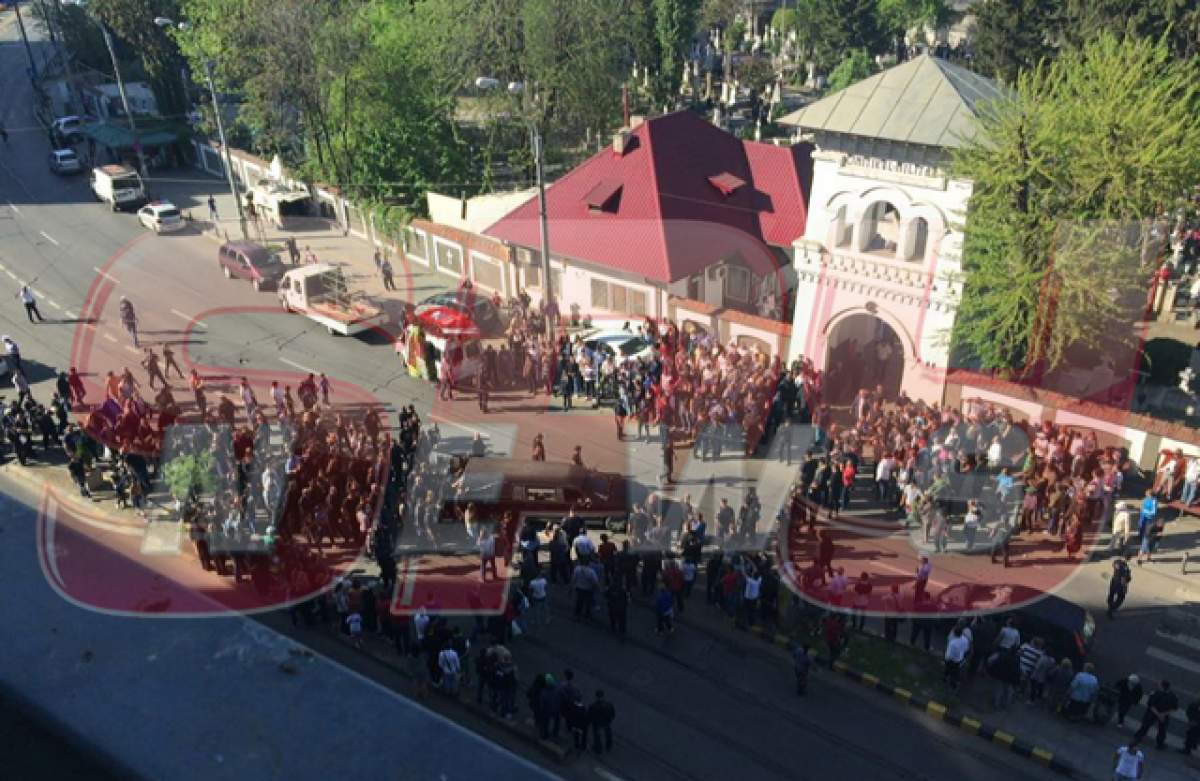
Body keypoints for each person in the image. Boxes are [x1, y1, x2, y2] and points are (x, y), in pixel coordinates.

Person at [1133, 680, 1178, 749]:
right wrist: (1162, 714)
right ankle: (1160, 743)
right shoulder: (1173, 696)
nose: (1158, 686)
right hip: (1163, 715)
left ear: (1162, 686)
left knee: (1146, 725)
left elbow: (1150, 704)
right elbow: (1174, 708)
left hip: (1153, 713)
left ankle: (1138, 737)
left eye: (1159, 685)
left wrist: (1159, 714)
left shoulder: (1156, 693)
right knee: (1161, 729)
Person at [943, 624, 970, 690]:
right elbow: (966, 649)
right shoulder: (965, 639)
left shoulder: (953, 643)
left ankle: (946, 678)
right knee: (955, 672)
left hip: (951, 660)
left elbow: (949, 654)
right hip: (959, 659)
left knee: (948, 669)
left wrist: (946, 658)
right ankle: (953, 684)